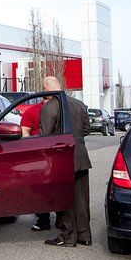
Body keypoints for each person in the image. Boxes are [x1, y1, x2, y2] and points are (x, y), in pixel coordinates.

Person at [38, 76, 92, 248]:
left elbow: (44, 137)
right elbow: (86, 130)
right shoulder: (79, 104)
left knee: (64, 198)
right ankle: (85, 234)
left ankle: (68, 236)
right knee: (82, 198)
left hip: (62, 160)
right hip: (81, 157)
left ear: (46, 89)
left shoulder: (49, 107)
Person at [21, 96, 53, 231]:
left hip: (39, 154)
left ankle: (44, 220)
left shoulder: (32, 111)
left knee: (40, 188)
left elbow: (24, 134)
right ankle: (62, 220)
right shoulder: (63, 110)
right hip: (58, 151)